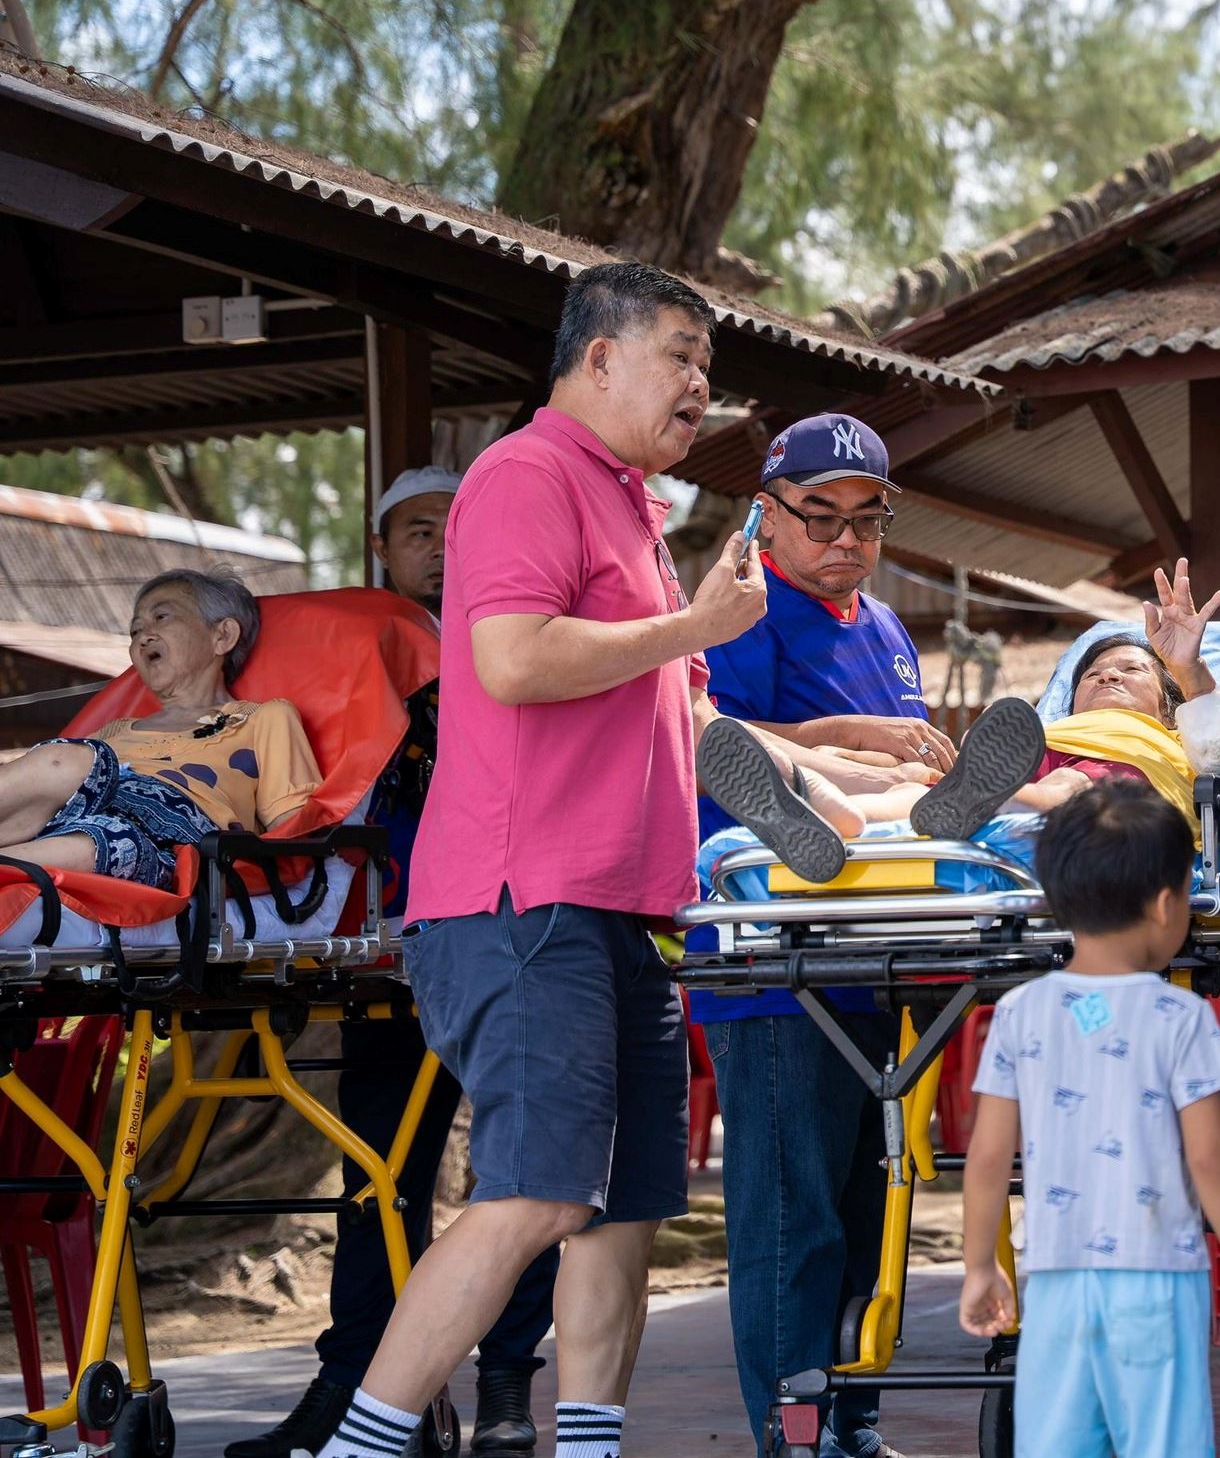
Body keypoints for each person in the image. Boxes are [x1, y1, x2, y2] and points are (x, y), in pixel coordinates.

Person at [305, 262, 771, 1458]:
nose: (699, 385)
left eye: (706, 367)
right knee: (538, 1195)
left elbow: (694, 718)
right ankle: (357, 1446)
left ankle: (590, 1448)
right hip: (524, 902)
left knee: (622, 1215)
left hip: (627, 908)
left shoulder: (637, 513)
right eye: (680, 355)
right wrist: (693, 628)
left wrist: (864, 777)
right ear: (597, 356)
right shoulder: (525, 472)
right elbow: (511, 659)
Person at [230, 468, 559, 1458]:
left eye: (456, 529)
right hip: (388, 951)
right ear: (380, 552)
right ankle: (359, 1387)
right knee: (376, 1176)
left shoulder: (529, 643)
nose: (441, 547)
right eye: (419, 531)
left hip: (510, 931)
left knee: (525, 1170)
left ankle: (505, 1383)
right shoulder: (341, 657)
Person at [689, 412, 950, 1458]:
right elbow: (701, 734)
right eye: (819, 516)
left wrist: (908, 774)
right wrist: (845, 740)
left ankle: (849, 1422)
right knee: (793, 1222)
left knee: (869, 1210)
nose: (844, 538)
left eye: (866, 519)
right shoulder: (740, 606)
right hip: (773, 960)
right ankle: (788, 1432)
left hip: (876, 951)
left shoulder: (884, 629)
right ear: (767, 509)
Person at [958, 780, 1220, 1458]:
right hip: (1158, 1280)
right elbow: (1211, 1159)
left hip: (1051, 1278)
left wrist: (979, 1265)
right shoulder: (1183, 1017)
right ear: (1167, 904)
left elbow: (988, 1158)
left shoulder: (1018, 1013)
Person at [696, 560, 1220, 874]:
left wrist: (1188, 668)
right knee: (913, 783)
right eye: (1092, 674)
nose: (1107, 676)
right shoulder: (1049, 728)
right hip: (1024, 765)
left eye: (1131, 671)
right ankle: (835, 812)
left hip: (1123, 799)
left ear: (1168, 709)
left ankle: (995, 799)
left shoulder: (1178, 737)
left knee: (1071, 786)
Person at [0, 569, 319, 884]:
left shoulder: (264, 718)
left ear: (222, 636)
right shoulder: (112, 732)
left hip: (180, 848)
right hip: (82, 825)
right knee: (69, 775)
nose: (142, 637)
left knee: (107, 841)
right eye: (135, 631)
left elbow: (294, 835)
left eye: (161, 618)